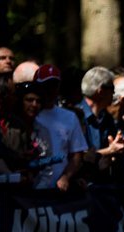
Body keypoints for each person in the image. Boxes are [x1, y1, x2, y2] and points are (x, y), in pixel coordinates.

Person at [32, 63, 88, 191]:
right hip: (31, 189)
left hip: (59, 191)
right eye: (46, 85)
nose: (50, 90)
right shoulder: (29, 116)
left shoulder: (70, 117)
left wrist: (66, 177)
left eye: (54, 85)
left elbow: (77, 154)